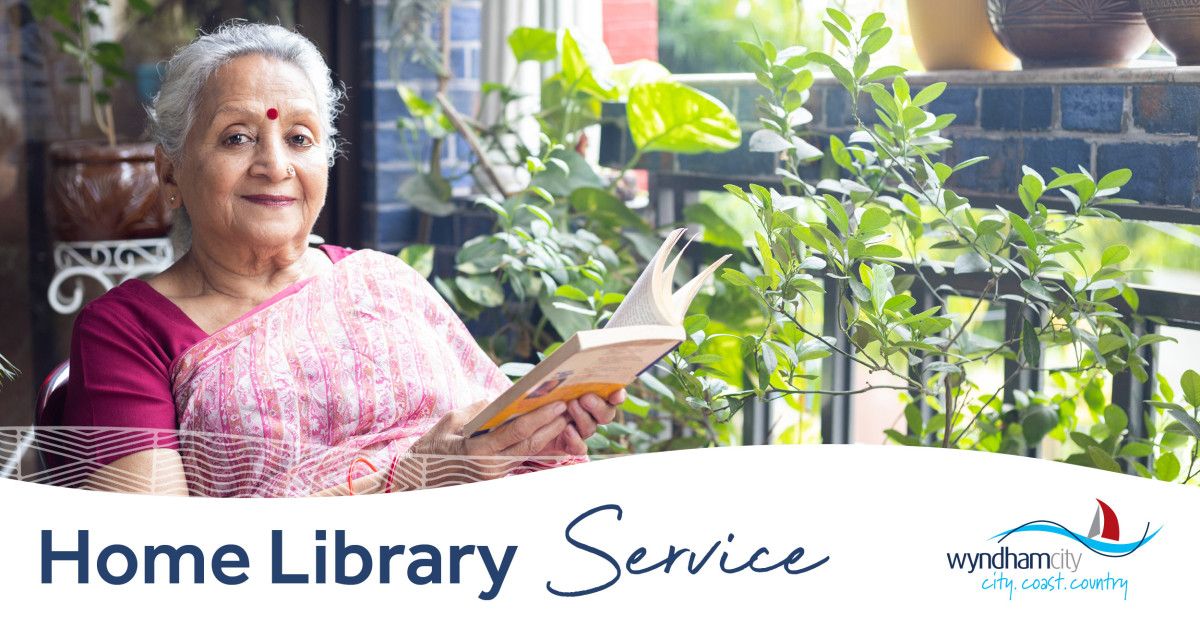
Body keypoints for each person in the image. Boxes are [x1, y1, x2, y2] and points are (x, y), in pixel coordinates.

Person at [61, 22, 623, 497]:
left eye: (300, 138)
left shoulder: (383, 282)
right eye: (237, 138)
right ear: (170, 172)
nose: (275, 165)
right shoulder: (125, 333)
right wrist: (413, 476)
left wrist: (538, 433)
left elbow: (486, 441)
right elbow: (154, 562)